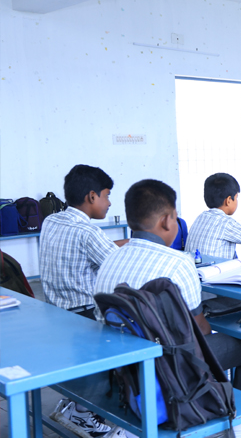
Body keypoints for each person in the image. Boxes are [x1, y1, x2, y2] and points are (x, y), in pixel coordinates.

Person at [93, 179, 241, 438]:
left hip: (124, 366)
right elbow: (200, 332)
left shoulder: (109, 260)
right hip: (170, 370)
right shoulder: (177, 263)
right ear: (166, 221)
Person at [40, 165, 129, 438]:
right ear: (92, 196)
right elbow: (119, 266)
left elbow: (101, 249)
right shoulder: (88, 232)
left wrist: (125, 242)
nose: (109, 202)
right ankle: (84, 411)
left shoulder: (51, 221)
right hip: (85, 318)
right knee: (139, 333)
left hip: (55, 314)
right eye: (106, 195)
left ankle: (75, 404)